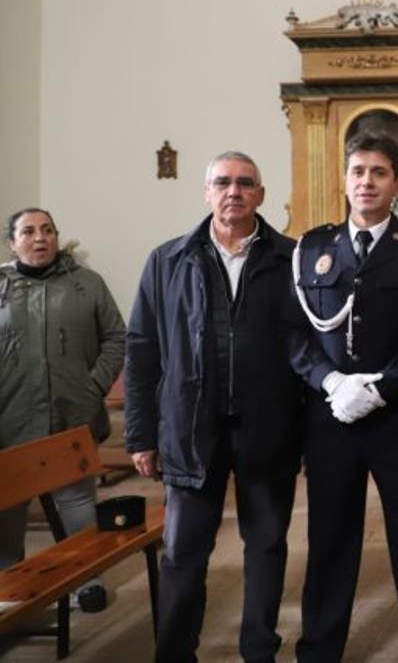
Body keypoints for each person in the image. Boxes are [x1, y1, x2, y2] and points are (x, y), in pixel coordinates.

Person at [124, 152, 305, 663]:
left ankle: (258, 649)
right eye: (222, 183)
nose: (233, 192)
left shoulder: (288, 258)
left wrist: (305, 432)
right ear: (206, 193)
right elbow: (141, 350)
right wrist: (140, 434)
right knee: (183, 553)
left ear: (261, 195)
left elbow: (306, 348)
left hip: (267, 427)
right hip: (189, 427)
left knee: (267, 546)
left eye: (245, 183)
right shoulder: (168, 260)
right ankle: (176, 652)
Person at [289, 131, 398, 662]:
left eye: (378, 172)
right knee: (331, 543)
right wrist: (331, 382)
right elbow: (294, 334)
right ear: (345, 179)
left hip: (397, 415)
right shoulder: (312, 249)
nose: (366, 181)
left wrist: (381, 388)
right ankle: (319, 650)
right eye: (357, 171)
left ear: (395, 183)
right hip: (331, 417)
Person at [0, 208, 124, 613]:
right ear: (12, 242)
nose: (40, 238)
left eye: (48, 230)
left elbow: (116, 337)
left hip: (72, 416)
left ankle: (86, 579)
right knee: (7, 511)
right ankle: (9, 588)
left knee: (77, 505)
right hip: (10, 419)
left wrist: (93, 387)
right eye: (29, 231)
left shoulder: (86, 284)